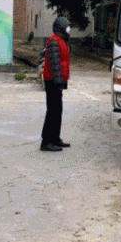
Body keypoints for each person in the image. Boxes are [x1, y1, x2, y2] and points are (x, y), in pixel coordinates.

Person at [40, 17, 71, 152]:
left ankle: (55, 138)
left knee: (57, 110)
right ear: (60, 27)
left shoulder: (61, 40)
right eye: (67, 27)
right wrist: (58, 81)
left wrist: (62, 81)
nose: (68, 30)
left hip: (57, 81)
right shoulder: (54, 41)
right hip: (52, 81)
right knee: (52, 111)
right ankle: (46, 141)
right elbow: (54, 63)